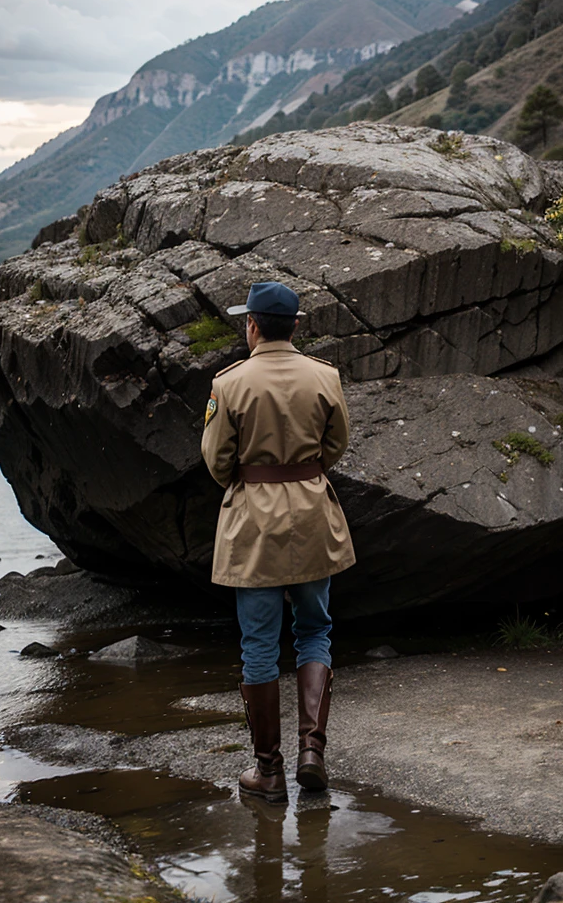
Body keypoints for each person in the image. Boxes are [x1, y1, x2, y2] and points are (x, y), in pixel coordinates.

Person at [201, 281, 356, 804]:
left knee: (259, 645)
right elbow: (336, 443)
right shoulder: (325, 376)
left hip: (253, 526)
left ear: (252, 325)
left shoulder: (230, 383)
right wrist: (304, 476)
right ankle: (313, 752)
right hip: (313, 516)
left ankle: (269, 772)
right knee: (315, 628)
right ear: (294, 325)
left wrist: (254, 482)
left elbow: (217, 461)